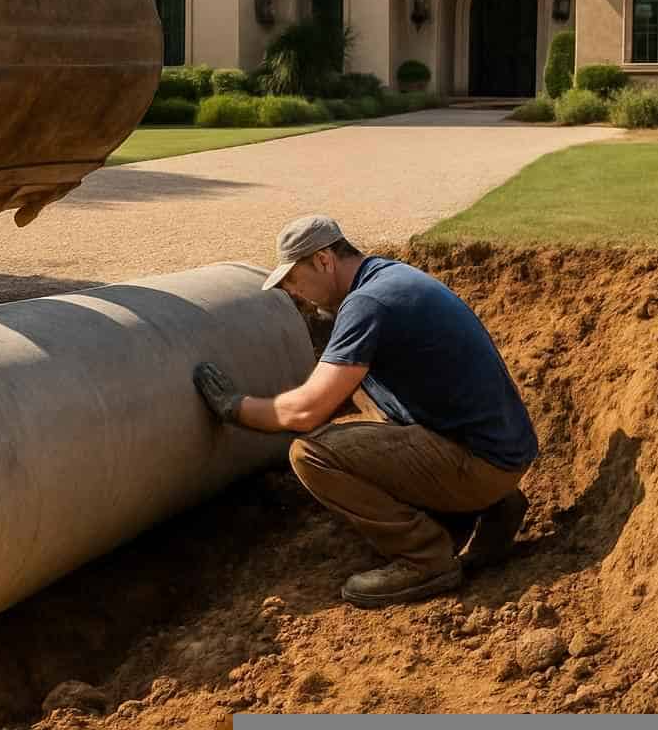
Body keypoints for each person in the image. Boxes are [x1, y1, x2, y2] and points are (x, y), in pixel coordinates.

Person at [193, 215, 538, 608]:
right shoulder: (388, 277)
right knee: (362, 393)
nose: (293, 292)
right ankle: (492, 506)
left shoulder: (366, 303)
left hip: (482, 464)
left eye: (293, 279)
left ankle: (425, 558)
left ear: (324, 260)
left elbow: (304, 414)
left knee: (311, 454)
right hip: (502, 451)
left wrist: (235, 408)